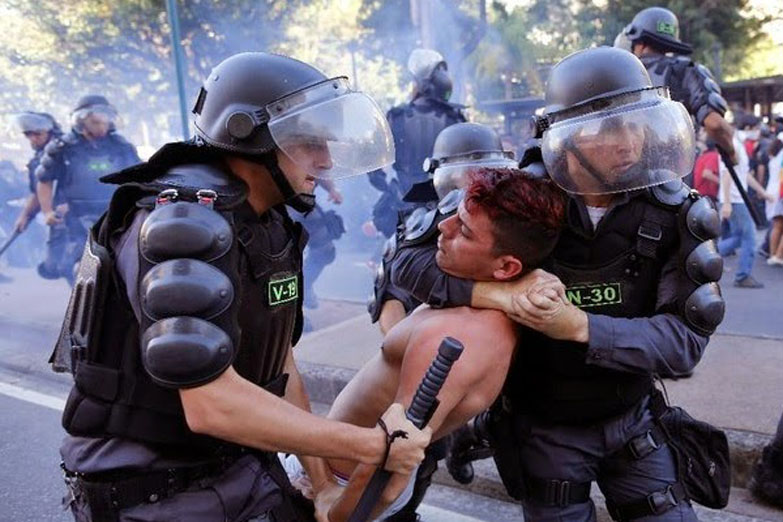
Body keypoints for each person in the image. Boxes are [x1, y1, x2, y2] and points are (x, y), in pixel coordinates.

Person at [53, 52, 431, 522]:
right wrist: (372, 446)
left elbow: (278, 363)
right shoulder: (181, 223)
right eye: (310, 141)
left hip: (237, 465)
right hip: (152, 487)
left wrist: (322, 485)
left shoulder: (265, 220)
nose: (327, 159)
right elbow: (210, 404)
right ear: (247, 133)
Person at [389, 47, 727, 521]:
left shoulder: (674, 210)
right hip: (544, 427)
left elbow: (684, 343)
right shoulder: (518, 195)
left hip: (632, 420)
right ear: (563, 138)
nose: (628, 142)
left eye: (636, 122)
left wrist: (578, 326)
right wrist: (497, 293)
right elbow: (407, 260)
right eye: (607, 128)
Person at [291, 168, 564, 521]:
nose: (442, 227)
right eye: (454, 217)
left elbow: (392, 464)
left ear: (506, 267)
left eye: (463, 231)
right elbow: (404, 262)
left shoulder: (454, 340)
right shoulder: (491, 305)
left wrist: (334, 511)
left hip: (346, 483)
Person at [35, 95, 140, 284]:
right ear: (82, 120)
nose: (101, 126)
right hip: (73, 216)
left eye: (105, 121)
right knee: (83, 268)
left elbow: (138, 176)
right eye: (95, 122)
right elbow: (44, 180)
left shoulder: (122, 146)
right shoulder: (62, 148)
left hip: (115, 212)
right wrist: (48, 212)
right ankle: (86, 309)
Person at [615, 6, 737, 166]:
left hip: (624, 178)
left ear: (640, 42)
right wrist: (732, 152)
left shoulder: (619, 75)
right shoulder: (686, 71)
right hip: (672, 180)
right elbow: (715, 124)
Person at [367, 49, 467, 238]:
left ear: (420, 84)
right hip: (446, 205)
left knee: (398, 256)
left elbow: (373, 167)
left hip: (405, 204)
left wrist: (391, 189)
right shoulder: (455, 117)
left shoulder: (396, 116)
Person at [717, 130, 776, 288]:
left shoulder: (737, 145)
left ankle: (708, 254)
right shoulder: (734, 145)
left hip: (737, 199)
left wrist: (762, 192)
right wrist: (727, 202)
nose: (759, 131)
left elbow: (744, 175)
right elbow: (727, 173)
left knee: (738, 237)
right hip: (735, 200)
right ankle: (743, 275)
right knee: (749, 236)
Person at [290, 178, 345, 310]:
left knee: (325, 251)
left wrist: (332, 189)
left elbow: (318, 172)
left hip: (304, 202)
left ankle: (304, 287)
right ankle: (292, 308)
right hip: (276, 204)